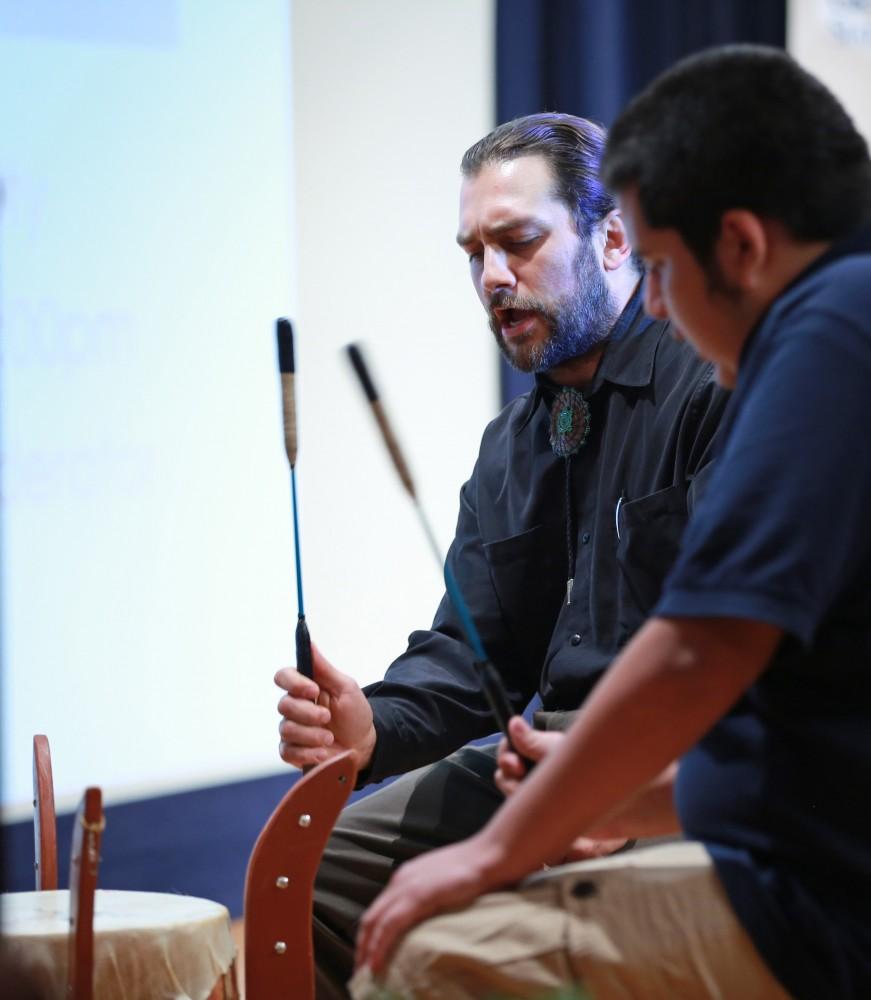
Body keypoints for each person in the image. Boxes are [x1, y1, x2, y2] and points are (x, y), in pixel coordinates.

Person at [351, 45, 871, 1000]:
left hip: (819, 903)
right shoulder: (830, 323)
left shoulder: (831, 329)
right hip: (746, 826)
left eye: (664, 268)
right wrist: (613, 793)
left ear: (743, 248)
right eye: (473, 255)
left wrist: (507, 844)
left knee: (431, 961)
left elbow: (700, 653)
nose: (659, 307)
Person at [275, 112, 726, 998]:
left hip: (672, 765)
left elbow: (739, 652)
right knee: (310, 878)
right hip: (533, 761)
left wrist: (634, 783)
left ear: (609, 238)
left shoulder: (709, 385)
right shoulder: (510, 445)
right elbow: (467, 648)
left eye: (517, 243)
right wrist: (370, 727)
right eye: (472, 253)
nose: (491, 278)